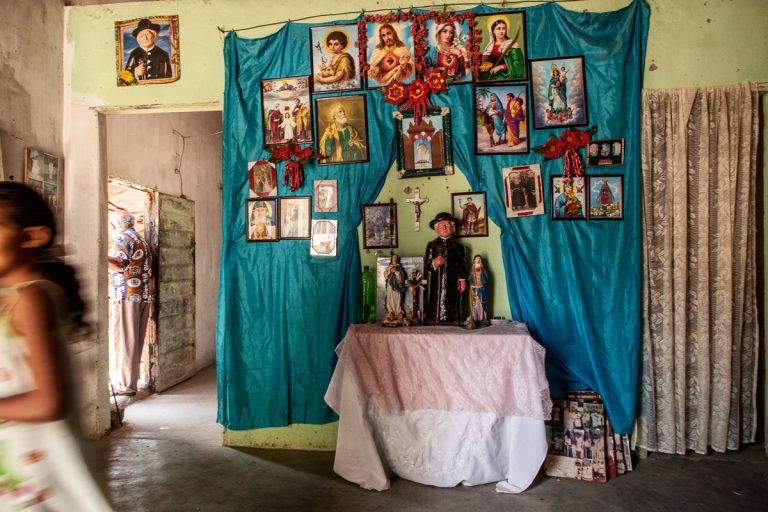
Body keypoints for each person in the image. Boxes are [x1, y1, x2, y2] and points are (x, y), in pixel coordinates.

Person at [0, 182, 115, 511]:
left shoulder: (31, 297)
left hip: (34, 467)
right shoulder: (14, 297)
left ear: (33, 237)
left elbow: (47, 401)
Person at [108, 209, 154, 396]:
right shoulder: (141, 240)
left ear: (115, 225)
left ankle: (125, 385)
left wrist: (98, 255)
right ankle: (130, 382)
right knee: (134, 339)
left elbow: (121, 263)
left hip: (127, 294)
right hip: (142, 295)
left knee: (124, 339)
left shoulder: (122, 238)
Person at [424, 212, 467, 324]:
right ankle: (435, 318)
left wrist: (462, 279)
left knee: (454, 299)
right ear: (436, 229)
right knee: (436, 299)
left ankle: (454, 319)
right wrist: (434, 262)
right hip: (437, 281)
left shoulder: (458, 247)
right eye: (441, 225)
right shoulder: (432, 245)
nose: (444, 227)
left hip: (453, 280)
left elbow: (462, 263)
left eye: (447, 225)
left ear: (453, 228)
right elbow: (427, 265)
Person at [479, 16, 525, 81]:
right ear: (493, 31)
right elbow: (485, 61)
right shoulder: (489, 46)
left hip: (508, 76)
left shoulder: (512, 44)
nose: (501, 31)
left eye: (503, 28)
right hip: (492, 76)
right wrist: (485, 66)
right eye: (498, 28)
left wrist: (502, 67)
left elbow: (519, 64)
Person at [383, 254, 408, 326]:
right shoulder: (389, 267)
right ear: (391, 259)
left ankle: (397, 312)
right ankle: (390, 313)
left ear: (397, 259)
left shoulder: (400, 267)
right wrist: (391, 271)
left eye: (396, 257)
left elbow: (403, 276)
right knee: (390, 298)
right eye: (393, 257)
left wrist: (398, 275)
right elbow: (385, 275)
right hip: (390, 287)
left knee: (397, 299)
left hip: (397, 287)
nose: (394, 258)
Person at [469, 255, 489, 325]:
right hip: (475, 288)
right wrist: (472, 284)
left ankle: (482, 318)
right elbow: (470, 278)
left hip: (481, 288)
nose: (477, 260)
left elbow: (486, 279)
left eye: (479, 259)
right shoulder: (472, 269)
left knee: (481, 303)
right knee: (475, 303)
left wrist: (482, 284)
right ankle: (475, 318)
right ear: (474, 260)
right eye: (476, 259)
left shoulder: (482, 269)